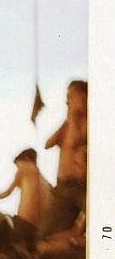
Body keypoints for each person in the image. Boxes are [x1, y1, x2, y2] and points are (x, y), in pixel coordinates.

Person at [39, 80, 88, 239]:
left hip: (80, 186)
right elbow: (48, 143)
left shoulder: (88, 121)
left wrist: (73, 114)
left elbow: (74, 141)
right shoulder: (68, 123)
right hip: (62, 186)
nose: (67, 101)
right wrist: (67, 120)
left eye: (71, 96)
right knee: (46, 234)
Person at [0, 148, 52, 252]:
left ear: (25, 159)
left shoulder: (26, 167)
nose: (17, 169)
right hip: (37, 231)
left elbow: (7, 193)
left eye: (17, 165)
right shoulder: (46, 182)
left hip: (22, 224)